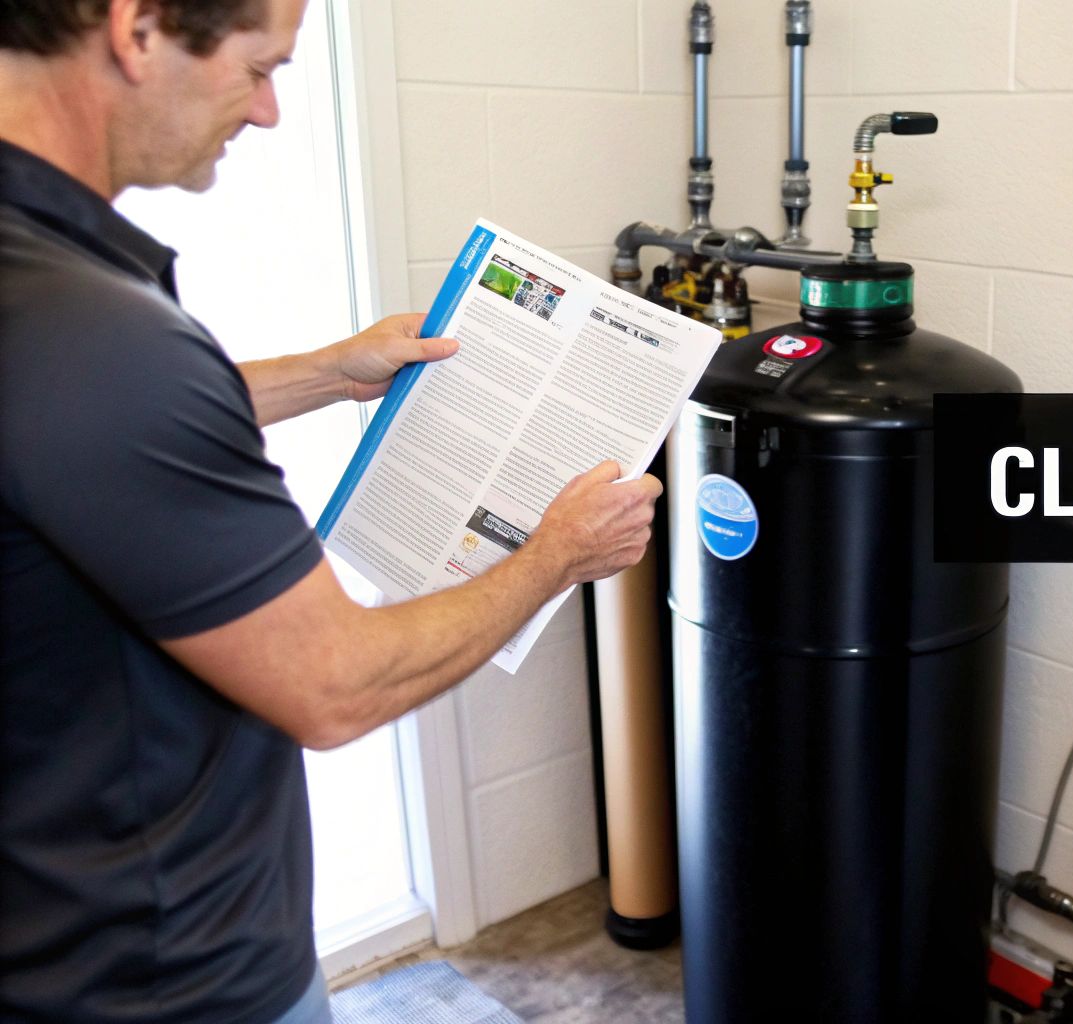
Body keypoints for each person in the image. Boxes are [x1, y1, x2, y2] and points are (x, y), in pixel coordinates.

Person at [0, 1, 662, 1021]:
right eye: (258, 66)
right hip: (173, 980)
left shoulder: (36, 289)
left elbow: (75, 439)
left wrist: (327, 371)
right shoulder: (97, 333)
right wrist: (553, 555)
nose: (267, 112)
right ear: (135, 31)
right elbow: (334, 685)